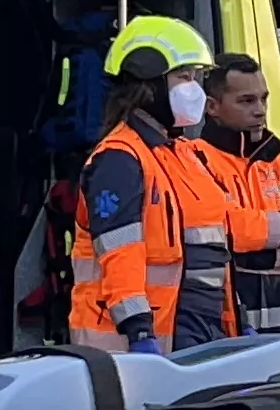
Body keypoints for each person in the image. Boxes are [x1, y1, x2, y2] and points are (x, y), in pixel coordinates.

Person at [67, 18, 205, 353]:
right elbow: (120, 253)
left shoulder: (173, 152)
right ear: (150, 85)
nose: (194, 88)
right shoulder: (119, 159)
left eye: (196, 77)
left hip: (174, 332)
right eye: (183, 77)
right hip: (124, 342)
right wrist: (138, 331)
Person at [169, 51, 280, 341]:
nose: (260, 110)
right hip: (221, 326)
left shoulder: (277, 161)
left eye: (263, 98)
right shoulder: (193, 159)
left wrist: (250, 247)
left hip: (279, 328)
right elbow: (225, 232)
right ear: (213, 106)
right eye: (246, 101)